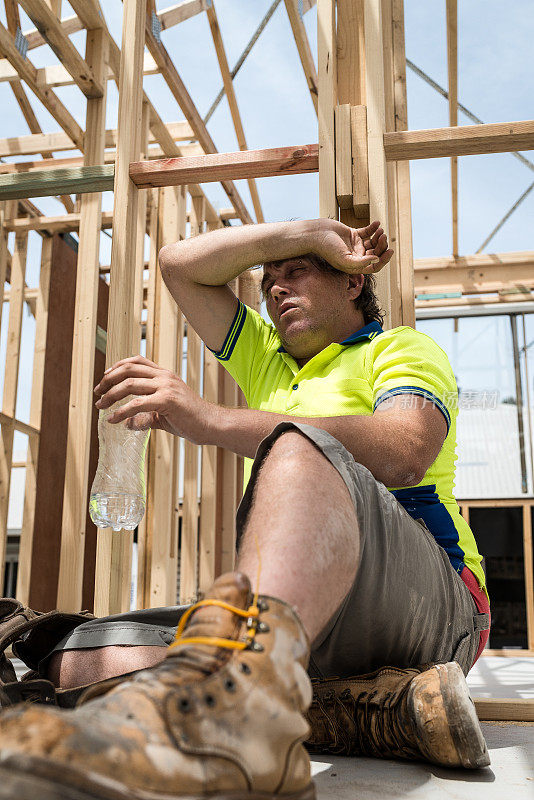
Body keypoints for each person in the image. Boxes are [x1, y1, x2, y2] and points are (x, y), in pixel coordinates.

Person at [0, 219, 491, 800]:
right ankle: (359, 709)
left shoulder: (399, 348)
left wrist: (208, 420)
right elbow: (180, 264)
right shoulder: (269, 362)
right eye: (268, 281)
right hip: (312, 627)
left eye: (298, 272)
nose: (277, 288)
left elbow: (407, 450)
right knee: (77, 657)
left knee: (296, 447)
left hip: (436, 605)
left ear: (353, 284)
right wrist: (299, 235)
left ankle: (246, 716)